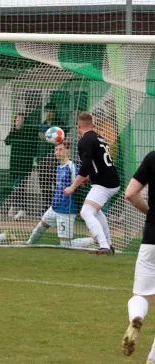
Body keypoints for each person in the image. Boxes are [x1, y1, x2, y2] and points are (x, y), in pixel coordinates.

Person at [64, 112, 120, 255]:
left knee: (86, 212)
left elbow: (86, 166)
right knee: (96, 212)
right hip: (110, 179)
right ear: (92, 124)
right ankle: (108, 244)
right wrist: (88, 177)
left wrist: (72, 187)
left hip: (104, 183)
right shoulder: (98, 137)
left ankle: (103, 246)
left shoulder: (85, 140)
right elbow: (98, 162)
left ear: (79, 125)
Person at [26, 141, 94, 248]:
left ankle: (92, 240)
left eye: (60, 149)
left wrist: (82, 182)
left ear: (68, 151)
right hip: (54, 207)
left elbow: (82, 182)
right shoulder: (59, 168)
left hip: (66, 210)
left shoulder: (72, 167)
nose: (57, 152)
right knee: (40, 226)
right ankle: (28, 244)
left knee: (66, 245)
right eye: (56, 150)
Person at [121, 151, 155, 361]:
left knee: (141, 295)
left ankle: (136, 317)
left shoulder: (152, 158)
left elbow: (130, 194)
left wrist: (150, 212)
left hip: (152, 239)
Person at [4, 113, 35, 220]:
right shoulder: (13, 131)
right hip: (14, 164)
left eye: (21, 119)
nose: (19, 121)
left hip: (24, 165)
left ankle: (22, 208)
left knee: (19, 186)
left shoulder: (27, 132)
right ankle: (15, 206)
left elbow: (31, 147)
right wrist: (14, 130)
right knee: (16, 186)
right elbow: (7, 142)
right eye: (17, 119)